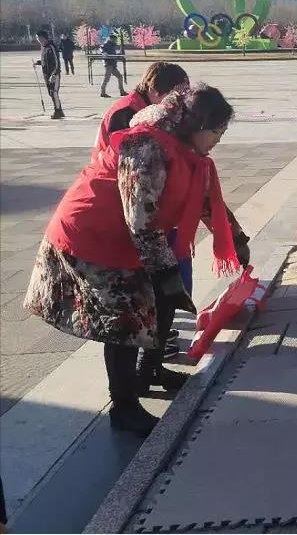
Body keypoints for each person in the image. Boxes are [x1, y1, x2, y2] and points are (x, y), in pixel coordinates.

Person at [24, 84, 243, 435]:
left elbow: (202, 199)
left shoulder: (184, 147)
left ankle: (148, 373)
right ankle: (123, 408)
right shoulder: (146, 147)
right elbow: (140, 219)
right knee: (124, 321)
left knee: (158, 303)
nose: (219, 139)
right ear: (199, 125)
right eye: (217, 131)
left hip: (125, 237)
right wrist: (165, 272)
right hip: (92, 235)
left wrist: (236, 238)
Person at [34, 30, 64, 119]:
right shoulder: (43, 48)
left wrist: (54, 74)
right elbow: (45, 60)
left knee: (54, 92)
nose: (39, 40)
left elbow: (56, 62)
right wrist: (38, 63)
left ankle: (58, 111)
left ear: (44, 38)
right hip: (46, 74)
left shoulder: (51, 47)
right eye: (37, 38)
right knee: (51, 93)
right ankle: (59, 110)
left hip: (54, 74)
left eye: (39, 38)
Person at [100, 34, 127, 98]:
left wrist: (119, 54)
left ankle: (122, 91)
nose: (115, 41)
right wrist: (104, 52)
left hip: (113, 64)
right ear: (111, 39)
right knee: (106, 79)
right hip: (108, 64)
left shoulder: (112, 45)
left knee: (120, 77)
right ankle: (102, 93)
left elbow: (113, 54)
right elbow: (102, 48)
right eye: (115, 39)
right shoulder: (106, 44)